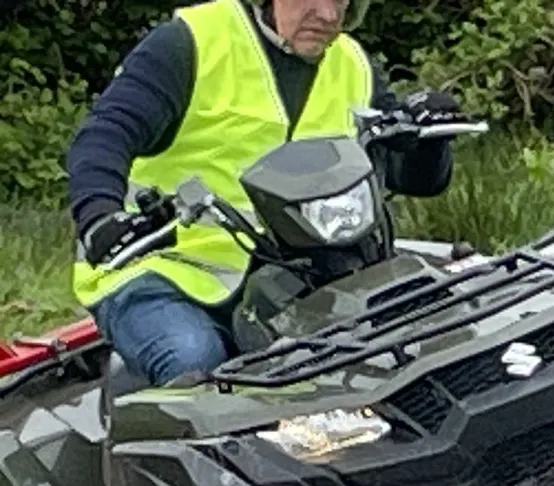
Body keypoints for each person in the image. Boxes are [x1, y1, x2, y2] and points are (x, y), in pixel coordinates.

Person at [67, 0, 458, 386]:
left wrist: (429, 139)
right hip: (160, 266)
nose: (327, 14)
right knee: (194, 359)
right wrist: (100, 215)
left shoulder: (352, 64)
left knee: (407, 334)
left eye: (341, 0)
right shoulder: (190, 42)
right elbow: (104, 135)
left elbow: (413, 177)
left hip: (289, 275)